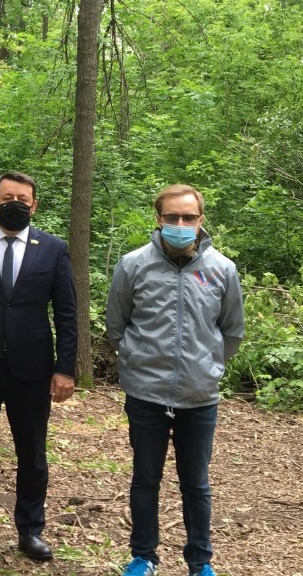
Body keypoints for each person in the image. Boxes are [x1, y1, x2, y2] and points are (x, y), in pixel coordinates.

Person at [105, 184, 245, 576]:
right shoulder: (133, 265)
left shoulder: (222, 269)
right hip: (145, 393)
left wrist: (209, 366)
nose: (180, 224)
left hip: (199, 396)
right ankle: (143, 557)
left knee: (196, 484)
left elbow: (232, 330)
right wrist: (136, 359)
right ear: (159, 219)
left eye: (188, 217)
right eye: (172, 217)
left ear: (201, 220)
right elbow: (117, 323)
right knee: (145, 479)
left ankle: (200, 562)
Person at [0, 171, 78, 561]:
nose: (15, 204)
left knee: (32, 452)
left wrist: (65, 368)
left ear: (34, 205)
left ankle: (30, 529)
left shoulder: (53, 248)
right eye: (7, 197)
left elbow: (67, 313)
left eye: (22, 199)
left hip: (33, 368)